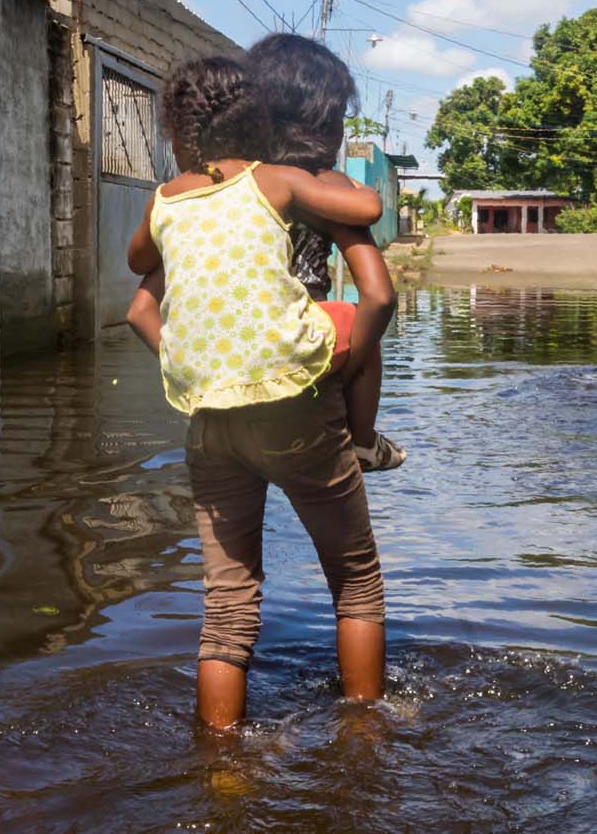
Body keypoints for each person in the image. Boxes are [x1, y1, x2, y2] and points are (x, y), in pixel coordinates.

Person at [125, 56, 393, 730]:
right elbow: (376, 276)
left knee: (226, 609)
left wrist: (194, 366)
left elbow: (138, 301)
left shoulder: (171, 206)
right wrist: (347, 365)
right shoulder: (277, 184)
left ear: (176, 135)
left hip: (210, 416)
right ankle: (362, 741)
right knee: (356, 582)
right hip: (299, 409)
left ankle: (222, 768)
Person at [246, 33, 406, 472]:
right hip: (305, 358)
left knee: (228, 534)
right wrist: (351, 363)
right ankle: (365, 441)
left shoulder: (227, 186)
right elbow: (380, 297)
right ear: (323, 123)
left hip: (232, 360)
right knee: (358, 323)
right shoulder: (325, 188)